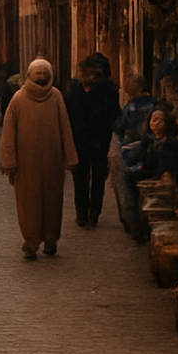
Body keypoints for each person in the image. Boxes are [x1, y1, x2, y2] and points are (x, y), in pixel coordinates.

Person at [0, 57, 78, 259]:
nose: (41, 76)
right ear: (29, 75)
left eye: (44, 73)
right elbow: (8, 133)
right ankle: (31, 241)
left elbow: (65, 128)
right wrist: (9, 162)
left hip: (53, 162)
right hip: (26, 165)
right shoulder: (18, 99)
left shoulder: (56, 97)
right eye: (38, 73)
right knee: (28, 204)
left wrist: (70, 157)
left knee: (53, 202)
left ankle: (51, 239)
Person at [65, 54, 121, 228]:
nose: (89, 78)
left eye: (93, 75)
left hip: (99, 140)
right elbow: (67, 115)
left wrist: (106, 132)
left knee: (98, 177)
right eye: (87, 74)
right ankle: (81, 211)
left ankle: (94, 211)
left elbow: (114, 115)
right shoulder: (73, 91)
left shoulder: (107, 91)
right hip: (79, 140)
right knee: (79, 177)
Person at [112, 74, 157, 241]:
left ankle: (134, 226)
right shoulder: (155, 103)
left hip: (130, 152)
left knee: (125, 187)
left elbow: (118, 126)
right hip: (150, 151)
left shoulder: (131, 108)